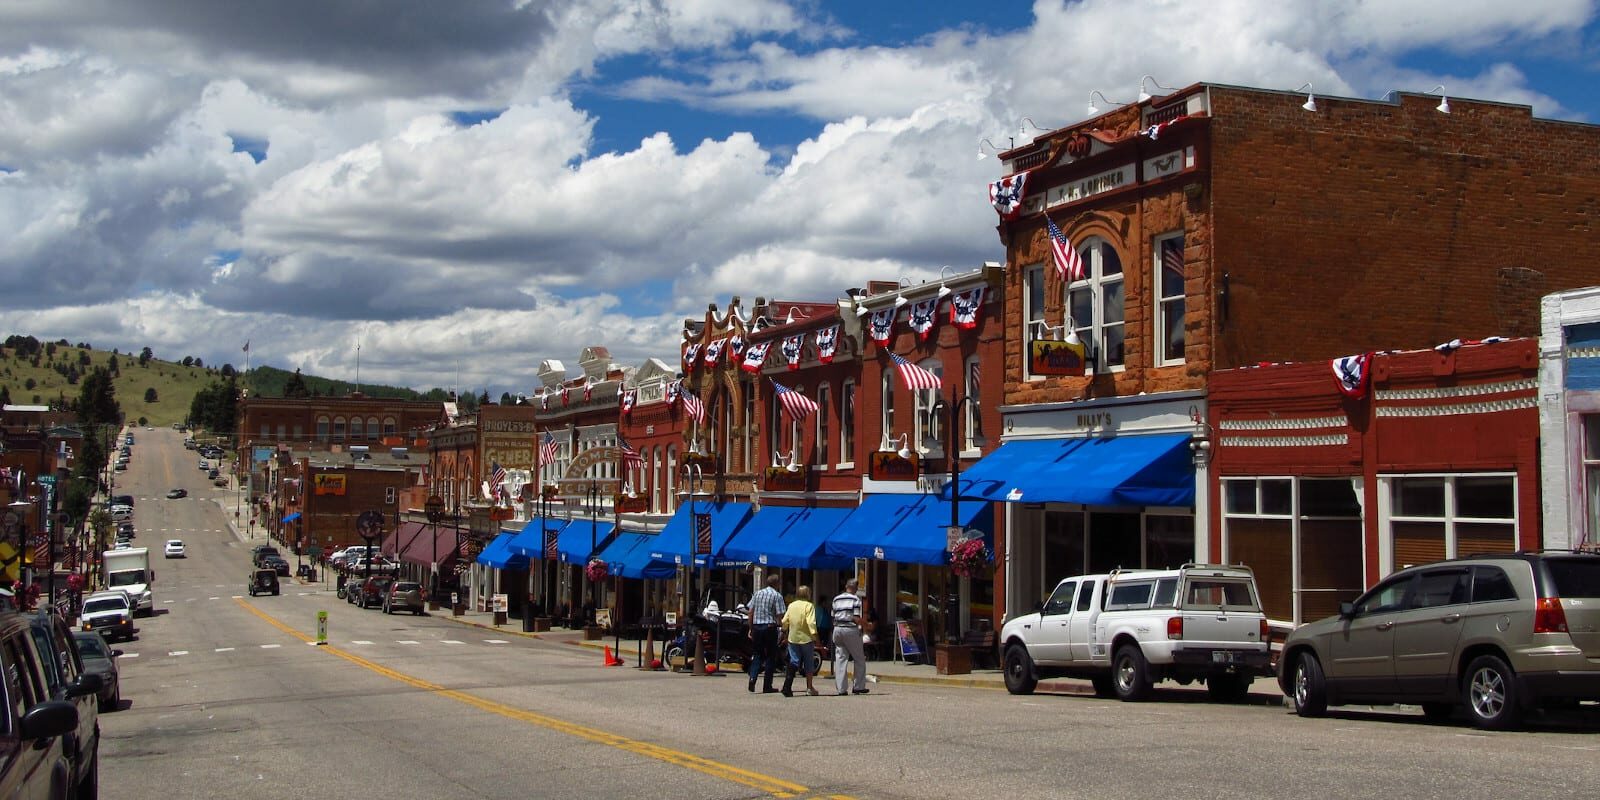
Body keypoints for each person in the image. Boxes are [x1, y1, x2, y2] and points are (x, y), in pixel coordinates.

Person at [746, 575, 786, 693]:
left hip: (757, 627)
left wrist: (751, 628)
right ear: (777, 584)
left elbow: (750, 612)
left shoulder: (757, 594)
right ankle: (767, 685)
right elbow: (780, 615)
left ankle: (753, 677)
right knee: (770, 656)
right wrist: (781, 628)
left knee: (757, 654)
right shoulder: (777, 595)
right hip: (769, 627)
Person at [779, 585, 821, 697]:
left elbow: (785, 620)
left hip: (793, 638)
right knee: (808, 663)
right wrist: (815, 635)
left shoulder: (791, 605)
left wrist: (783, 631)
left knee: (794, 661)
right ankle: (809, 687)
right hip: (806, 638)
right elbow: (811, 622)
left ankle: (787, 686)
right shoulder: (809, 606)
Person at [831, 579, 869, 695]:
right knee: (859, 658)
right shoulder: (855, 599)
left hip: (837, 629)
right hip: (850, 629)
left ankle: (841, 689)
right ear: (855, 588)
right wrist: (866, 625)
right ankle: (858, 686)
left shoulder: (836, 599)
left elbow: (833, 616)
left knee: (841, 658)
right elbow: (856, 618)